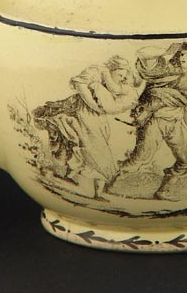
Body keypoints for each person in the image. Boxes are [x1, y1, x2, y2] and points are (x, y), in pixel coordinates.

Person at [110, 41, 187, 201]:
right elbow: (142, 53)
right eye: (181, 54)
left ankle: (164, 191)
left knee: (186, 161)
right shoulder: (165, 71)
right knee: (140, 159)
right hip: (154, 121)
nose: (183, 57)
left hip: (175, 124)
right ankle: (110, 183)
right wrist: (166, 52)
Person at [33, 56, 140, 200]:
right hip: (82, 111)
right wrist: (94, 105)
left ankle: (95, 191)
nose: (122, 79)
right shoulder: (96, 71)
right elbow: (80, 85)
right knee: (93, 147)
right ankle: (62, 174)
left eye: (124, 77)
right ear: (112, 69)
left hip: (97, 117)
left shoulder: (112, 85)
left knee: (94, 146)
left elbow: (111, 104)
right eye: (120, 75)